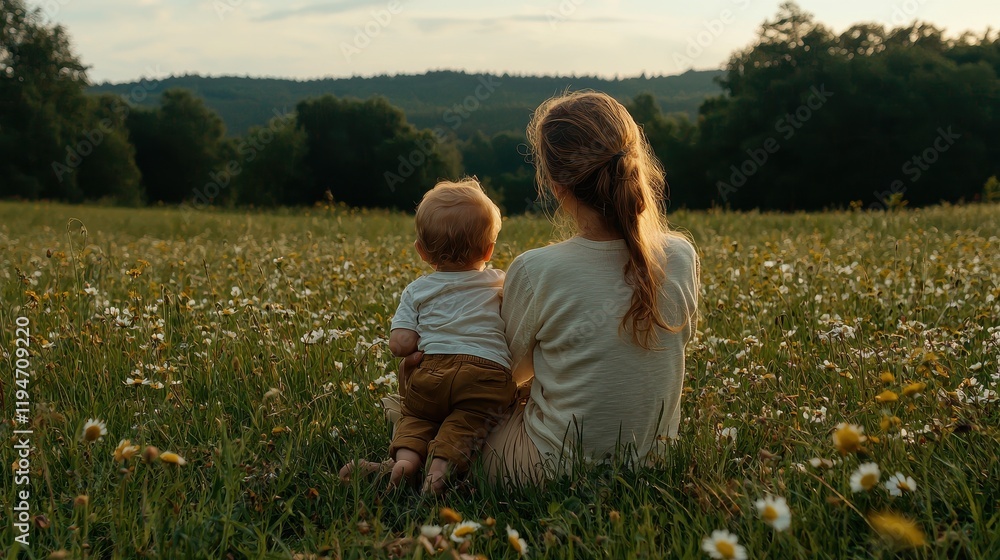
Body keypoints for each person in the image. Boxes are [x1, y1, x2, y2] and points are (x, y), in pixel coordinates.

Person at [475, 91, 701, 484]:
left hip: (551, 471)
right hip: (652, 465)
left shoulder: (535, 269)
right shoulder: (680, 255)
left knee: (445, 401)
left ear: (553, 184)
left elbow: (503, 376)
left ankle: (412, 463)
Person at [340, 179, 517, 494]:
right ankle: (439, 473)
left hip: (432, 371)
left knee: (417, 416)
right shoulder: (499, 282)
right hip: (485, 375)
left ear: (421, 252)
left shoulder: (418, 289)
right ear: (489, 249)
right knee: (467, 422)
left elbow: (401, 345)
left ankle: (405, 462)